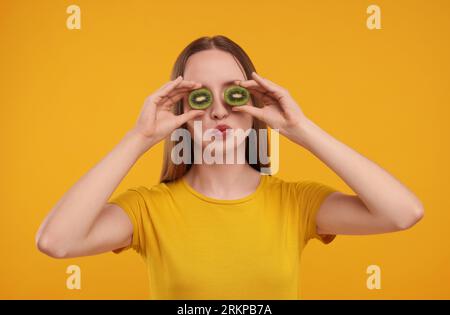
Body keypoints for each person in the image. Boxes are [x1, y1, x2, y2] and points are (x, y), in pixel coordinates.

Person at [35, 35, 424, 299]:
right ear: (182, 109)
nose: (219, 109)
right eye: (201, 96)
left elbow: (404, 213)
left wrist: (300, 129)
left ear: (255, 100)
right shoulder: (147, 210)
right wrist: (138, 138)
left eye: (233, 93)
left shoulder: (296, 203)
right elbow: (57, 242)